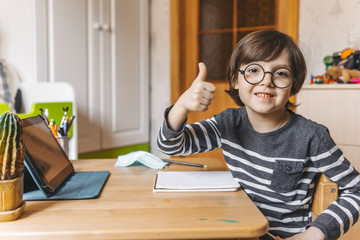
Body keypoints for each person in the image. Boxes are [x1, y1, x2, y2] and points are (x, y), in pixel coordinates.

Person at [157, 30, 360, 240]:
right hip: (235, 228)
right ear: (236, 80)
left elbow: (356, 190)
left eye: (280, 73)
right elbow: (171, 147)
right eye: (254, 70)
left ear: (293, 85)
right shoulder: (227, 123)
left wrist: (315, 234)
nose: (266, 81)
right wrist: (181, 105)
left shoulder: (312, 136)